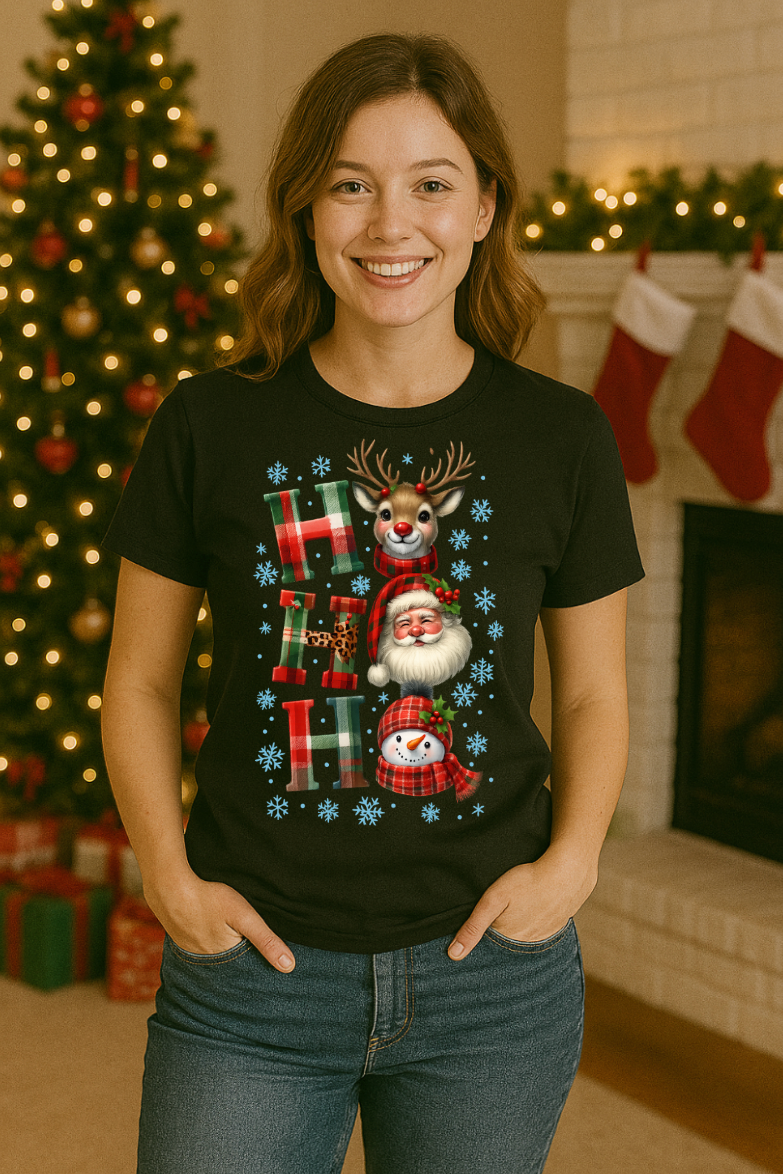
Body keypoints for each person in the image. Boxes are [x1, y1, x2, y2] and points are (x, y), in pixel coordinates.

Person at [101, 32, 644, 1174]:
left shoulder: (562, 438)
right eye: (352, 184)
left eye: (431, 185)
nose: (390, 225)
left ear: (486, 206)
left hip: (490, 983)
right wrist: (167, 872)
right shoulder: (210, 425)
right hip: (250, 977)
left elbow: (595, 691)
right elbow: (141, 676)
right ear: (306, 208)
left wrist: (574, 863)